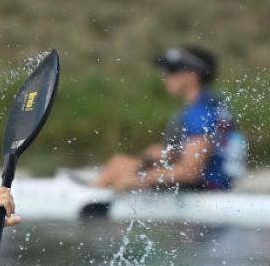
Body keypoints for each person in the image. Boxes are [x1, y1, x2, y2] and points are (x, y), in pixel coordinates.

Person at [95, 46, 240, 192]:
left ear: (193, 75)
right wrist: (161, 155)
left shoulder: (198, 112)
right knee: (122, 162)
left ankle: (91, 200)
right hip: (218, 182)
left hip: (206, 189)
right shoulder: (215, 104)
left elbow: (191, 171)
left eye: (173, 70)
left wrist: (141, 178)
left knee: (119, 167)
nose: (165, 76)